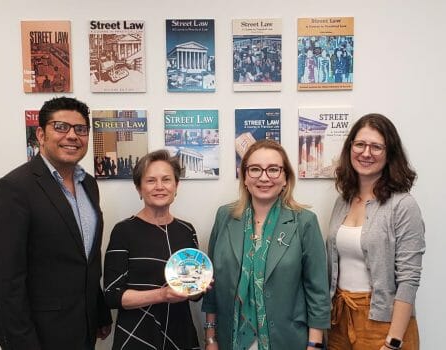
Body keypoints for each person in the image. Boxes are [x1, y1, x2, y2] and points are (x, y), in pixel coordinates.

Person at [0, 97, 112, 350]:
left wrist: (98, 310)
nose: (72, 136)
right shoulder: (13, 188)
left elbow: (86, 258)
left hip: (82, 326)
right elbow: (5, 278)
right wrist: (24, 343)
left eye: (81, 129)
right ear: (41, 135)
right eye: (61, 127)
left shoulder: (88, 184)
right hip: (38, 333)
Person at [202, 139, 330, 350]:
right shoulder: (225, 217)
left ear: (286, 178)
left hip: (287, 339)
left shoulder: (304, 221)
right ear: (244, 177)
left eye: (273, 170)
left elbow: (317, 292)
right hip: (230, 339)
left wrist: (314, 344)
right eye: (255, 169)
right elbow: (212, 285)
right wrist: (210, 337)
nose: (264, 177)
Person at [327, 113, 425, 350]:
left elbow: (409, 279)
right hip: (341, 318)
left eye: (376, 147)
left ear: (390, 153)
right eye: (359, 144)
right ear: (350, 148)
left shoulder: (403, 205)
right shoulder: (343, 201)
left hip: (384, 323)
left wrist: (393, 341)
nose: (366, 153)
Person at [103, 150, 201, 350]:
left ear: (176, 186)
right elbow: (112, 295)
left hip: (180, 335)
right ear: (139, 188)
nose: (159, 187)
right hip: (137, 337)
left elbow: (193, 293)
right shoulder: (124, 231)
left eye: (166, 179)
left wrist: (199, 287)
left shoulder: (186, 230)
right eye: (150, 181)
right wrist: (162, 295)